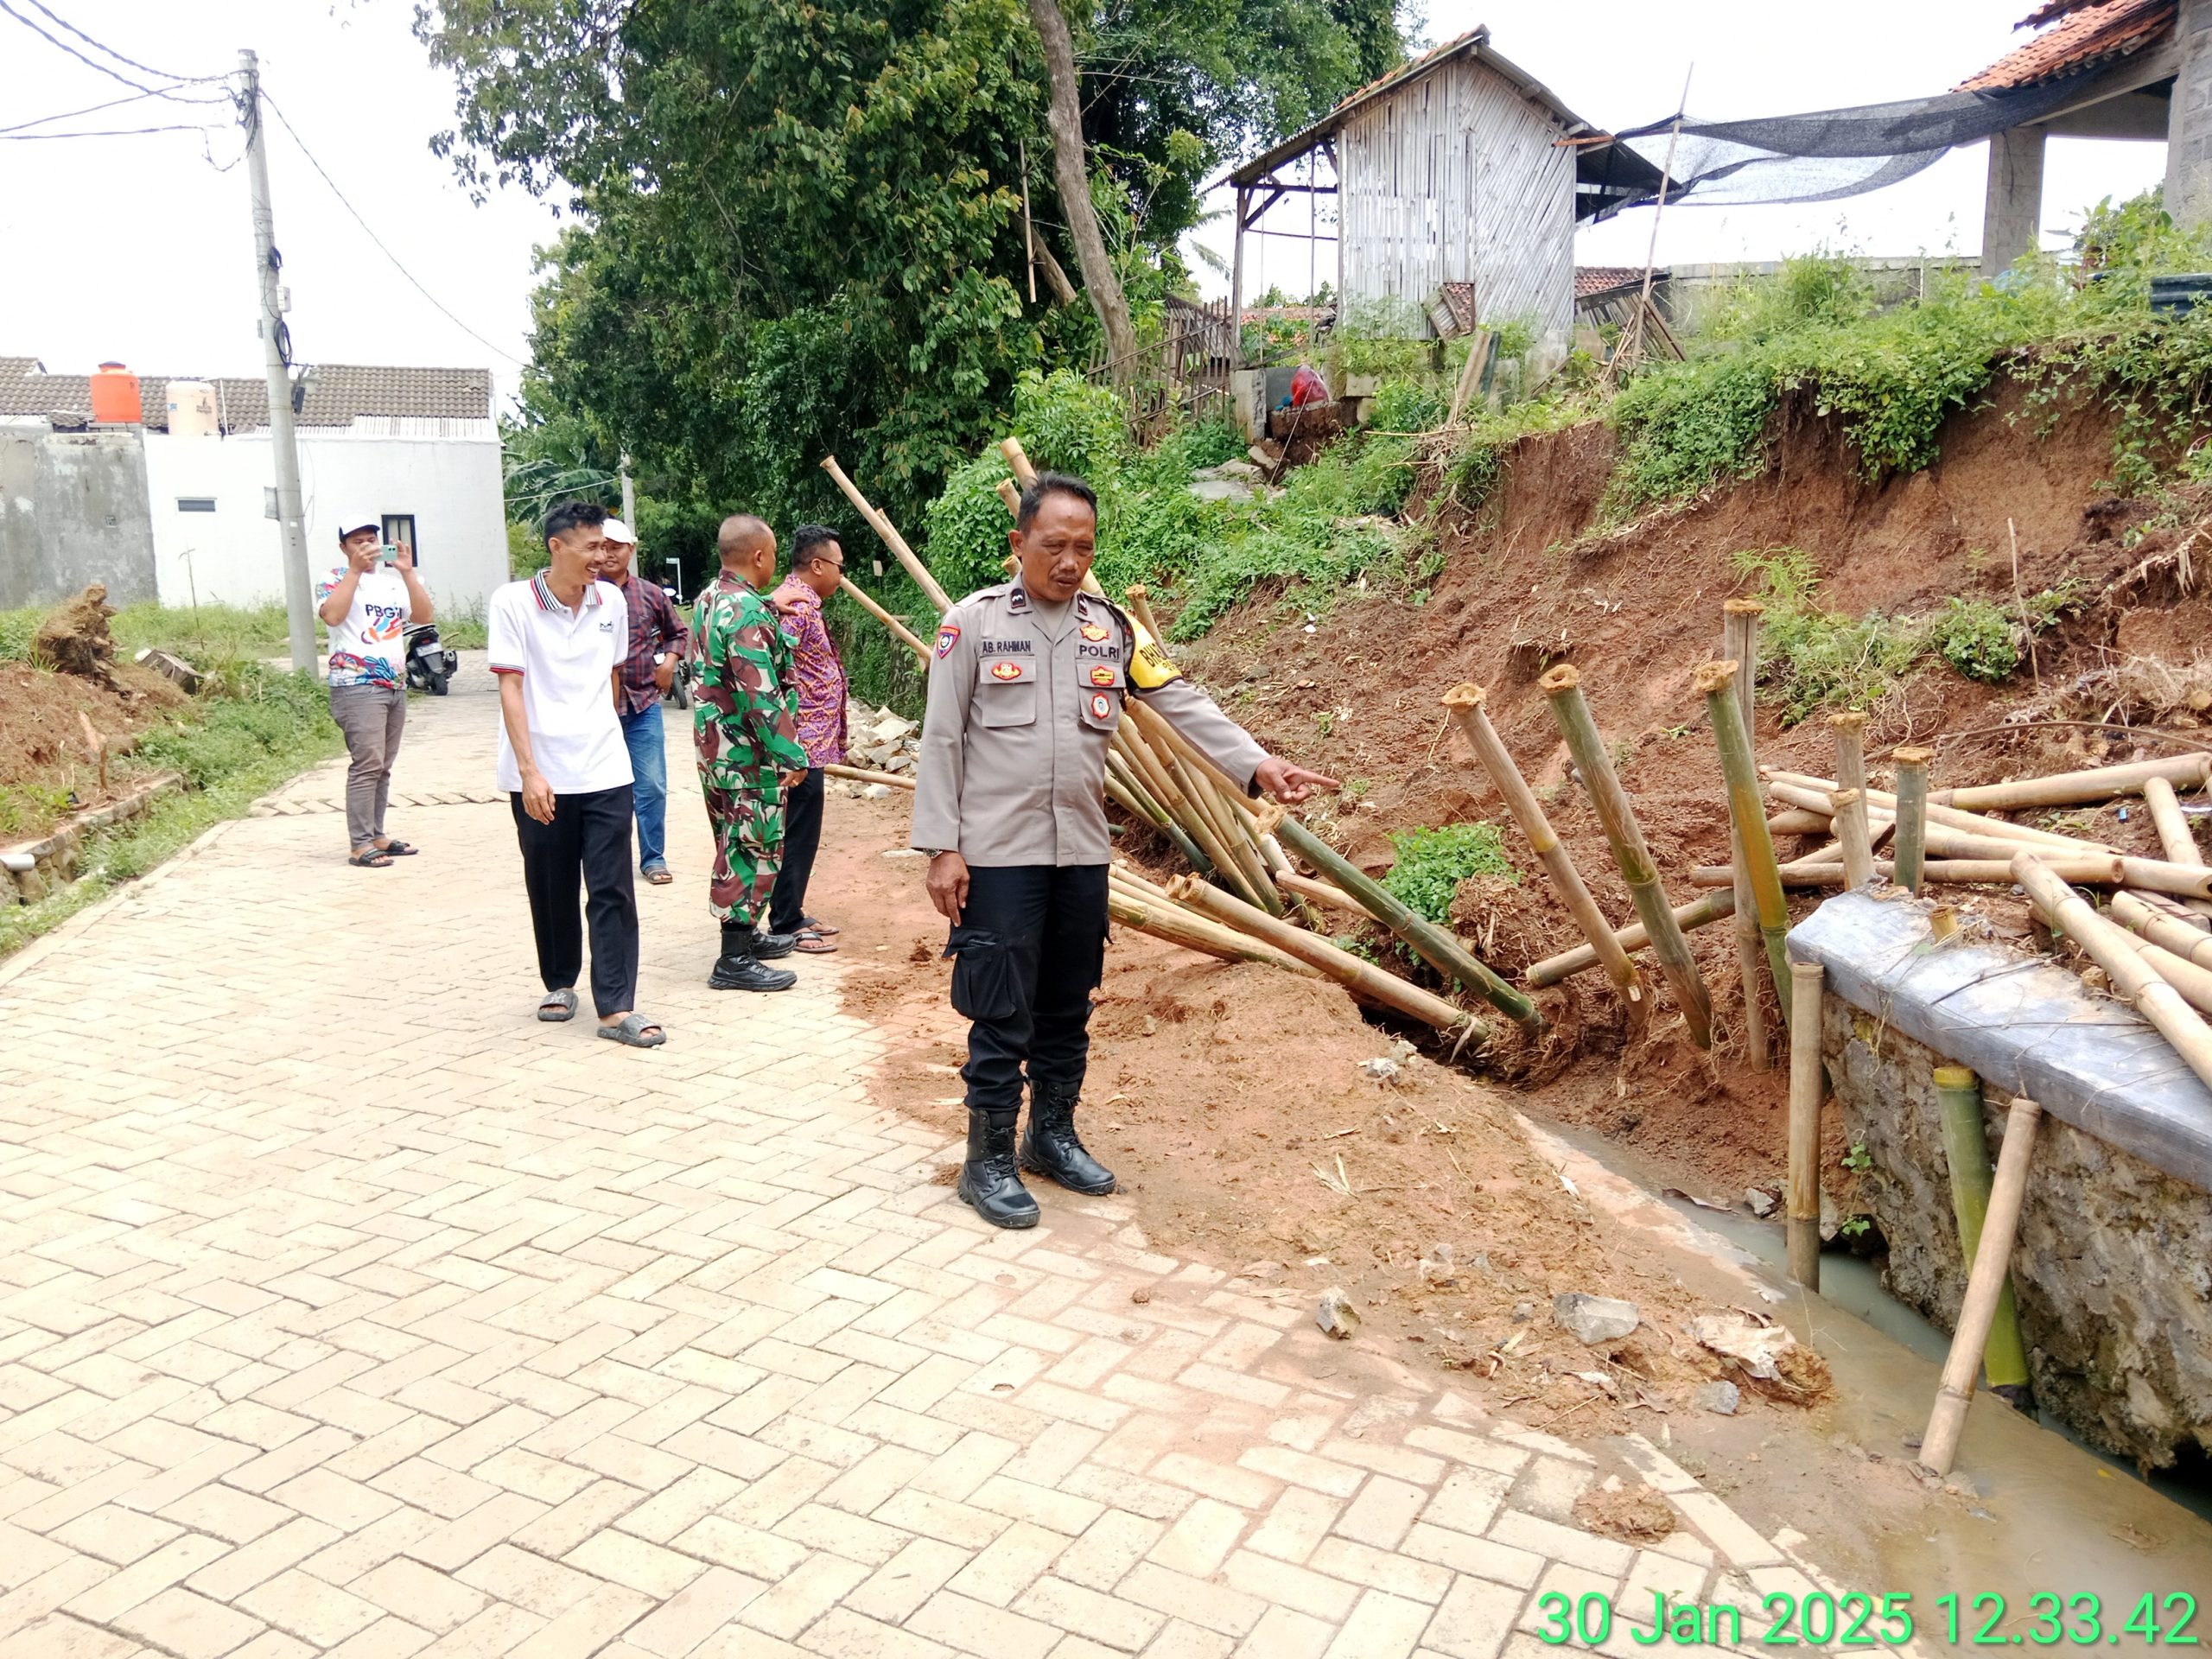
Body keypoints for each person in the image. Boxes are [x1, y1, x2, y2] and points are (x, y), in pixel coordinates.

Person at [912, 472, 1337, 1229]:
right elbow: (941, 740)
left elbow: (1181, 700)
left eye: (1083, 547)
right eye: (1053, 546)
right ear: (1019, 545)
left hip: (1079, 852)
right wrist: (941, 849)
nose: (1069, 561)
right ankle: (986, 1160)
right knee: (1001, 1011)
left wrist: (1257, 763)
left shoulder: (1112, 631)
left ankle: (1052, 1137)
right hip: (999, 855)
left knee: (1067, 1005)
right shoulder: (971, 625)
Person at [487, 500, 665, 1048]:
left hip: (604, 768)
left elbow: (610, 676)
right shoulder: (513, 602)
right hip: (540, 774)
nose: (602, 557)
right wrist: (530, 770)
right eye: (591, 547)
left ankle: (616, 1007)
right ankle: (560, 981)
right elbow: (510, 687)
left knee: (612, 888)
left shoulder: (611, 600)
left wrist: (604, 735)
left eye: (607, 546)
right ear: (556, 547)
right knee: (551, 882)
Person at [694, 513, 810, 993]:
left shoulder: (710, 598)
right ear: (759, 556)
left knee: (732, 839)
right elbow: (761, 697)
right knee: (752, 848)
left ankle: (746, 936)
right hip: (748, 755)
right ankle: (734, 958)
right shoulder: (747, 613)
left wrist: (770, 606)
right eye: (774, 554)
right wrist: (792, 754)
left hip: (715, 749)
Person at [316, 512, 432, 868]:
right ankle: (360, 844)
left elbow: (424, 616)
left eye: (371, 539)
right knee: (367, 764)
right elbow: (332, 617)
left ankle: (377, 835)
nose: (366, 547)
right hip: (357, 684)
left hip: (394, 684)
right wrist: (354, 571)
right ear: (343, 548)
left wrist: (408, 572)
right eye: (357, 541)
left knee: (383, 765)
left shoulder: (392, 582)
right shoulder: (334, 578)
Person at [766, 524, 849, 953]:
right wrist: (788, 746)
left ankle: (792, 910)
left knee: (803, 830)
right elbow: (775, 666)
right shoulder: (796, 605)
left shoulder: (803, 600)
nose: (842, 574)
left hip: (811, 742)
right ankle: (785, 922)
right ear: (817, 565)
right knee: (798, 832)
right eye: (839, 566)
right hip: (801, 744)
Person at [596, 517, 690, 886]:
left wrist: (668, 664)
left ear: (630, 550)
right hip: (597, 710)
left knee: (650, 784)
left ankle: (653, 858)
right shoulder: (583, 593)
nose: (608, 554)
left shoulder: (650, 594)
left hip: (642, 704)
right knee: (604, 789)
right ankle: (608, 861)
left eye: (616, 547)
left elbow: (677, 632)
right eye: (601, 546)